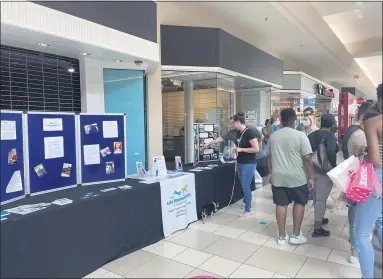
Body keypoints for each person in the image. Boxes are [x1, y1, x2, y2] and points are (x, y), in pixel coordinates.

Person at [267, 108, 314, 245]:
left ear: (281, 120)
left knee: (281, 204)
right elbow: (307, 159)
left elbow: (269, 158)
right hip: (297, 177)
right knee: (299, 203)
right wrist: (311, 177)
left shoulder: (274, 136)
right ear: (294, 120)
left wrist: (270, 173)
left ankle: (281, 236)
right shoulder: (300, 136)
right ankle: (296, 235)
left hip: (278, 177)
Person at [354, 83, 382, 279]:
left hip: (378, 179)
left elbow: (374, 159)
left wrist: (362, 156)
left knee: (362, 234)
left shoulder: (374, 120)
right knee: (381, 220)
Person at [341, 102, 373, 264]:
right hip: (361, 181)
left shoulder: (354, 131)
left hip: (357, 179)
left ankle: (356, 244)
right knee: (358, 216)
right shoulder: (361, 135)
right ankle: (355, 249)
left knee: (356, 213)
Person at [308, 114, 339, 237]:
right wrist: (334, 168)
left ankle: (319, 217)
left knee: (316, 197)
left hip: (311, 170)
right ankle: (317, 228)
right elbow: (331, 152)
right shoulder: (330, 136)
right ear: (332, 125)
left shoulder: (311, 135)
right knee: (321, 199)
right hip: (324, 171)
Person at [231, 112, 260, 217]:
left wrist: (241, 149)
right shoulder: (239, 133)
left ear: (238, 122)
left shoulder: (250, 131)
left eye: (232, 123)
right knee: (243, 185)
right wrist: (236, 151)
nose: (231, 125)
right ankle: (247, 202)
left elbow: (256, 148)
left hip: (249, 163)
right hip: (240, 161)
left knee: (245, 185)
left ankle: (248, 209)